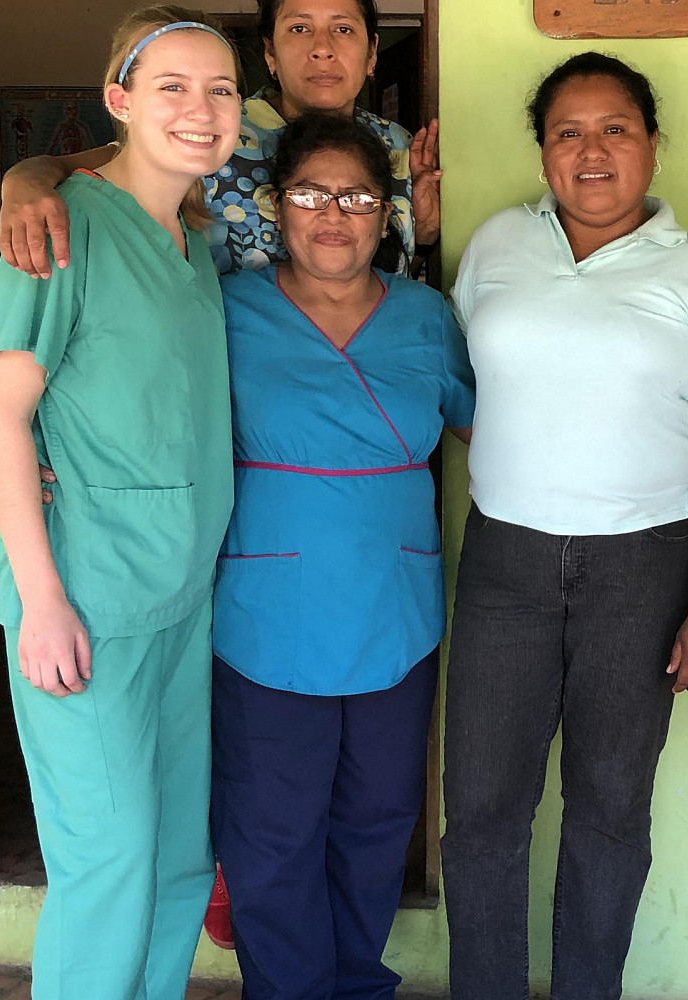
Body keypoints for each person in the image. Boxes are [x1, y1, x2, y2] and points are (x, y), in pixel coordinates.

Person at [441, 51, 688, 1000]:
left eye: (615, 129)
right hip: (505, 561)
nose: (592, 151)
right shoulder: (498, 245)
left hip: (646, 569)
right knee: (483, 814)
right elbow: (467, 388)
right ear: (542, 151)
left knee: (610, 810)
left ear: (654, 147)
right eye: (567, 132)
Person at [0, 9, 240, 998]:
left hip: (179, 602)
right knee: (111, 863)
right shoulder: (57, 228)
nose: (201, 109)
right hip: (85, 604)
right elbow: (1, 419)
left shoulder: (191, 241)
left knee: (176, 860)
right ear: (120, 100)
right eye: (172, 86)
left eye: (219, 90)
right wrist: (40, 600)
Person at [208, 111, 474, 999]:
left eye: (357, 195)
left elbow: (493, 427)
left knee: (377, 819)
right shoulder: (228, 308)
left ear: (388, 210)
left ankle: (356, 982)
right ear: (278, 207)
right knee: (272, 832)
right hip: (266, 613)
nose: (334, 214)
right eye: (310, 195)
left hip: (393, 609)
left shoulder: (428, 318)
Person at [0, 0, 440, 277]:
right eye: (299, 28)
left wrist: (425, 236)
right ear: (269, 53)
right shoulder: (215, 126)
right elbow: (101, 165)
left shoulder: (396, 145)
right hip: (219, 363)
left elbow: (396, 269)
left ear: (372, 52)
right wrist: (24, 181)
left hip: (356, 363)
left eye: (343, 28)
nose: (322, 48)